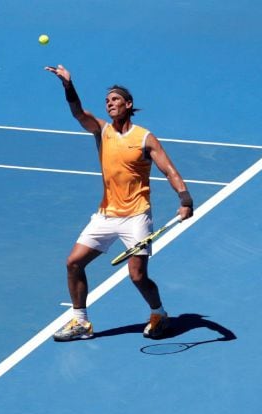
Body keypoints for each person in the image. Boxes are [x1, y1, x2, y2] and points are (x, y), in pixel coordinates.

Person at [44, 65, 193, 341]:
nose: (109, 103)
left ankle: (159, 313)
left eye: (114, 99)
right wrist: (68, 85)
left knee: (137, 276)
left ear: (128, 104)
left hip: (136, 216)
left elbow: (169, 170)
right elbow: (78, 112)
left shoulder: (144, 137)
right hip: (106, 214)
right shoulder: (101, 131)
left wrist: (185, 199)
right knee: (73, 263)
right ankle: (81, 323)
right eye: (107, 101)